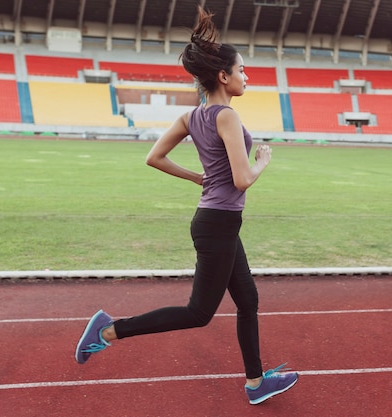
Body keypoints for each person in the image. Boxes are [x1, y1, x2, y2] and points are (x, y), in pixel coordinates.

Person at [74, 7, 298, 405]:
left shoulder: (191, 116)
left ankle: (255, 382)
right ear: (223, 76)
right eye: (243, 70)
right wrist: (263, 159)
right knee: (199, 313)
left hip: (218, 222)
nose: (248, 76)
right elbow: (243, 178)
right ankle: (109, 330)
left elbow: (153, 158)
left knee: (248, 300)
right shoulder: (226, 115)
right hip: (217, 224)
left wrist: (197, 178)